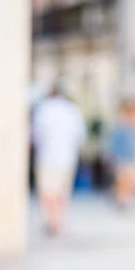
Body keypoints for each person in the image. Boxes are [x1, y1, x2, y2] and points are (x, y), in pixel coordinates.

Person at [31, 82, 86, 236]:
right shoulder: (72, 110)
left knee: (47, 191)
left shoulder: (43, 109)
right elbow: (80, 135)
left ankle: (51, 220)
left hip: (46, 157)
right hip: (67, 157)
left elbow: (35, 134)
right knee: (62, 192)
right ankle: (58, 221)